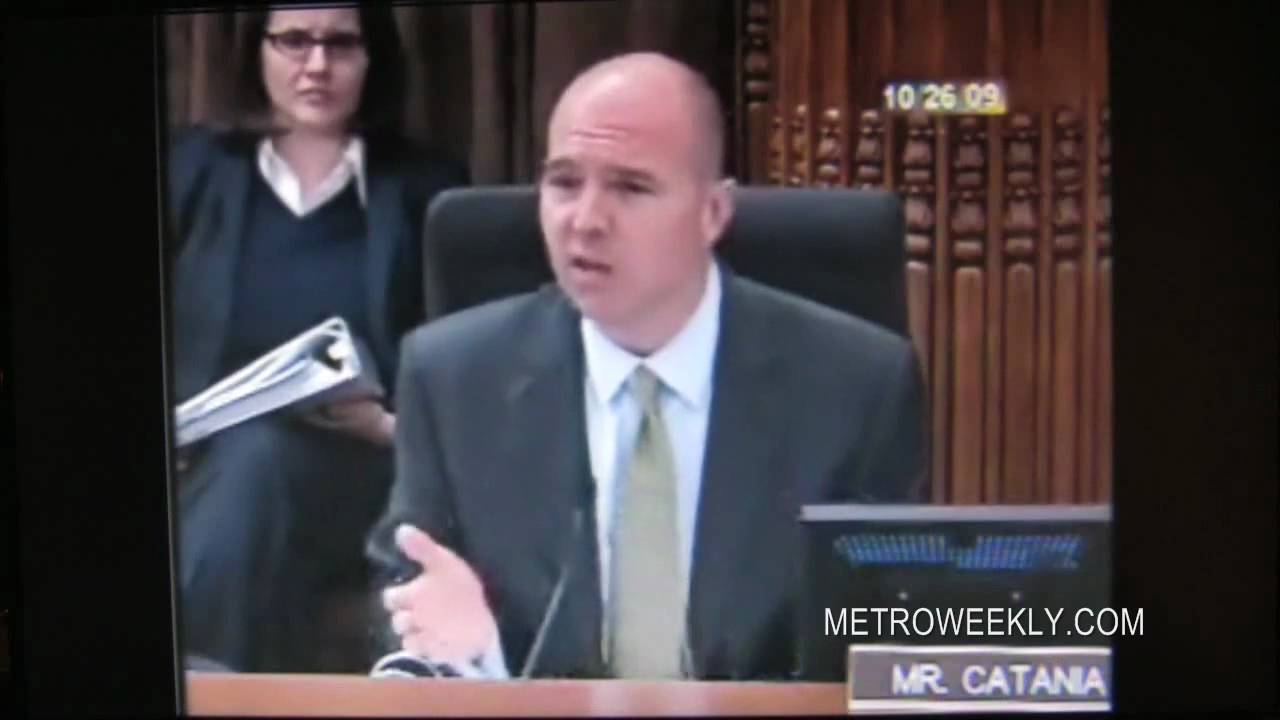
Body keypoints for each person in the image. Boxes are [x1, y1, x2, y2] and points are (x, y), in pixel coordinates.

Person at [364, 52, 927, 681]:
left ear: (713, 213)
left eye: (631, 188)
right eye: (564, 183)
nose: (585, 222)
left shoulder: (858, 387)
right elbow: (406, 587)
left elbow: (881, 631)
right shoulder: (451, 377)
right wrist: (469, 651)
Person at [167, 6, 468, 673]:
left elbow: (467, 373)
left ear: (373, 58)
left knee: (260, 464)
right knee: (251, 468)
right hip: (200, 472)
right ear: (258, 51)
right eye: (295, 42)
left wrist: (384, 427)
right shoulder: (188, 172)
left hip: (362, 475)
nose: (317, 65)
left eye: (341, 45)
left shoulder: (426, 188)